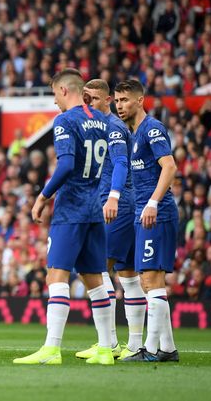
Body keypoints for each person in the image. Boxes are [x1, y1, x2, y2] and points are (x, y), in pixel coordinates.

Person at [13, 69, 114, 366]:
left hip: (71, 209)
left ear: (64, 90)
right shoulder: (102, 121)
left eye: (55, 94)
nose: (55, 101)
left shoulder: (65, 120)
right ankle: (106, 349)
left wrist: (43, 196)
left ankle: (52, 348)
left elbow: (66, 164)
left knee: (56, 275)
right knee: (95, 280)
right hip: (95, 208)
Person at [75, 79, 147, 361]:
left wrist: (114, 196)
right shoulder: (97, 126)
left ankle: (110, 342)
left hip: (116, 205)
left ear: (107, 101)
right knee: (128, 275)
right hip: (122, 204)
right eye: (85, 99)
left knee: (96, 268)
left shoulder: (112, 126)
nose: (88, 103)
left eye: (93, 99)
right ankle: (134, 345)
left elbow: (120, 163)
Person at [115, 79, 179, 362]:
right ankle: (167, 348)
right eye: (117, 101)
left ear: (140, 101)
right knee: (148, 281)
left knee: (152, 281)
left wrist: (153, 202)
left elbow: (170, 166)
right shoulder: (133, 134)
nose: (119, 106)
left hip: (157, 213)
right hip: (144, 213)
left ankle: (150, 350)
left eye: (125, 100)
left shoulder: (152, 129)